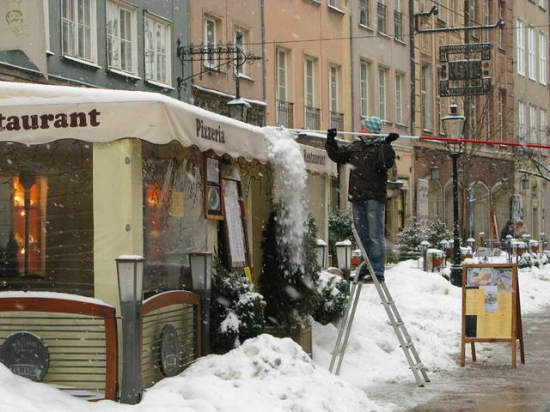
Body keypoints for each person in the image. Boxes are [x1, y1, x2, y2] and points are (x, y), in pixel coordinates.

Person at [325, 116, 398, 282]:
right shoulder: (356, 146)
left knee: (374, 234)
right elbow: (337, 156)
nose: (360, 130)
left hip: (373, 197)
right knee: (362, 235)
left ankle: (377, 270)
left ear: (371, 130)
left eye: (364, 128)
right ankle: (367, 266)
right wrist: (331, 140)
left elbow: (385, 163)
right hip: (357, 196)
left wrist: (387, 145)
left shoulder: (380, 146)